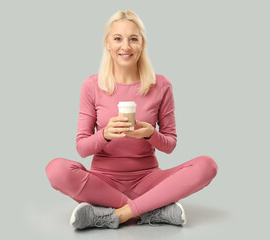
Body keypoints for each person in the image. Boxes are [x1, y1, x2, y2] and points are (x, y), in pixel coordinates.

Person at [45, 10, 218, 230]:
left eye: (133, 39)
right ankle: (152, 210)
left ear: (142, 43)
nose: (125, 47)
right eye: (118, 38)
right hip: (103, 183)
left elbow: (171, 144)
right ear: (107, 43)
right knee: (56, 169)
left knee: (207, 165)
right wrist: (105, 135)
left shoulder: (161, 85)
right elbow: (81, 148)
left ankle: (114, 214)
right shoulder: (91, 85)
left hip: (149, 181)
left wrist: (150, 134)